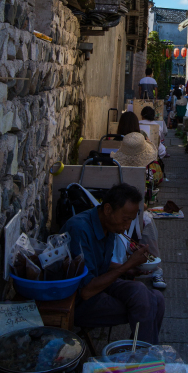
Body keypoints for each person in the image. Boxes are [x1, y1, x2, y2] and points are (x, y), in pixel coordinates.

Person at [65, 183, 165, 343]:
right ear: (107, 210)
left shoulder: (110, 226)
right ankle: (143, 359)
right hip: (79, 301)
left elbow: (100, 263)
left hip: (100, 284)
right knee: (147, 303)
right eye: (125, 220)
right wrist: (128, 264)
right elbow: (86, 291)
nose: (126, 227)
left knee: (157, 298)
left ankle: (141, 352)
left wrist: (130, 269)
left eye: (131, 221)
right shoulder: (79, 229)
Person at [111, 132, 167, 290]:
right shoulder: (147, 172)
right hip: (125, 213)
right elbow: (144, 203)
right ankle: (156, 267)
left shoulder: (113, 167)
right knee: (147, 220)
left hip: (112, 210)